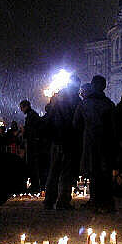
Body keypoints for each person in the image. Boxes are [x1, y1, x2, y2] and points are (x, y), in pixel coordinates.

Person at [73, 76, 116, 213]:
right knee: (105, 172)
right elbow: (114, 126)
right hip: (106, 142)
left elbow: (76, 123)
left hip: (90, 140)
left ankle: (95, 200)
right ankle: (107, 202)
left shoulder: (85, 103)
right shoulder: (108, 104)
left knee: (93, 171)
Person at [44, 75, 82, 210]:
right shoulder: (76, 100)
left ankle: (49, 200)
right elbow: (77, 122)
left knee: (53, 171)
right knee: (66, 172)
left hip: (56, 139)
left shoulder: (57, 99)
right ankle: (63, 201)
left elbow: (49, 117)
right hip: (69, 139)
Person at [19, 99, 43, 191]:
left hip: (33, 145)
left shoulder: (31, 116)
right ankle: (35, 185)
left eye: (22, 107)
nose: (21, 110)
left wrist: (24, 131)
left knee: (33, 165)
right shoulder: (32, 115)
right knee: (33, 165)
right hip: (33, 144)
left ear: (26, 106)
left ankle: (35, 186)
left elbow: (31, 131)